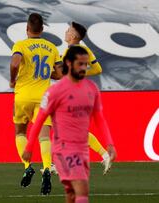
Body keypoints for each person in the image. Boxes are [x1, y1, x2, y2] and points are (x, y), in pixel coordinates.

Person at [23, 46, 117, 202]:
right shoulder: (54, 91)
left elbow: (99, 118)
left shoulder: (90, 88)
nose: (83, 68)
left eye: (84, 65)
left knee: (78, 191)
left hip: (78, 149)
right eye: (80, 64)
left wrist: (110, 145)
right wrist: (29, 146)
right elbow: (39, 119)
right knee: (74, 192)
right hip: (64, 147)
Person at [9, 13, 61, 193]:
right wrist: (47, 74)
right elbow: (60, 74)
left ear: (27, 28)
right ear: (42, 29)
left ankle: (27, 166)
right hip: (44, 97)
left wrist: (12, 79)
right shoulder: (51, 47)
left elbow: (15, 63)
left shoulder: (20, 45)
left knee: (20, 131)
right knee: (44, 135)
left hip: (23, 94)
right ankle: (47, 168)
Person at [63, 21, 111, 174]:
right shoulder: (85, 49)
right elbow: (98, 69)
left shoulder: (68, 52)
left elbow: (63, 74)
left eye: (68, 30)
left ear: (73, 35)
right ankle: (104, 154)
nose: (66, 32)